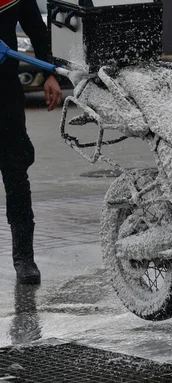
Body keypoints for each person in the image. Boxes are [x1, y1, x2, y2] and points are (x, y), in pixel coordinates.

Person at [1, 0, 62, 284]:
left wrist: (50, 73)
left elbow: (37, 30)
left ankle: (24, 257)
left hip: (5, 94)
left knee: (16, 172)